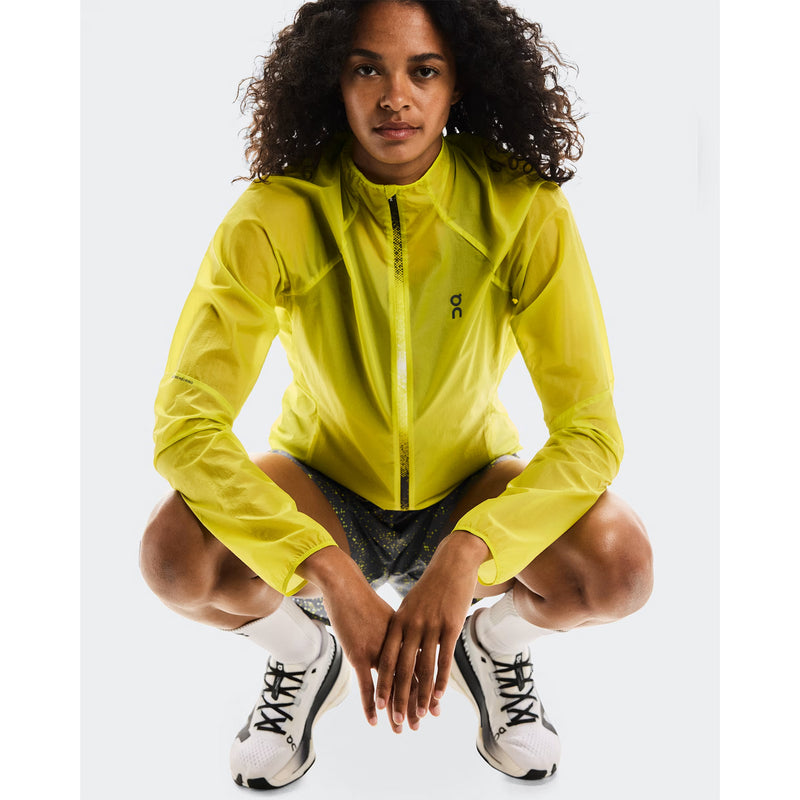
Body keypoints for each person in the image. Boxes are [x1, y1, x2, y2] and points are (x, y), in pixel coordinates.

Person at [140, 0, 653, 789]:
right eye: (366, 69)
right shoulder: (274, 215)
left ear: (459, 84)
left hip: (466, 487)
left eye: (424, 71)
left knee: (619, 566)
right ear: (333, 83)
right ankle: (304, 656)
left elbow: (590, 431)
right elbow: (187, 426)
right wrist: (323, 569)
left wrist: (472, 549)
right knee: (173, 556)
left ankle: (492, 647)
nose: (394, 97)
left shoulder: (522, 209)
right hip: (322, 488)